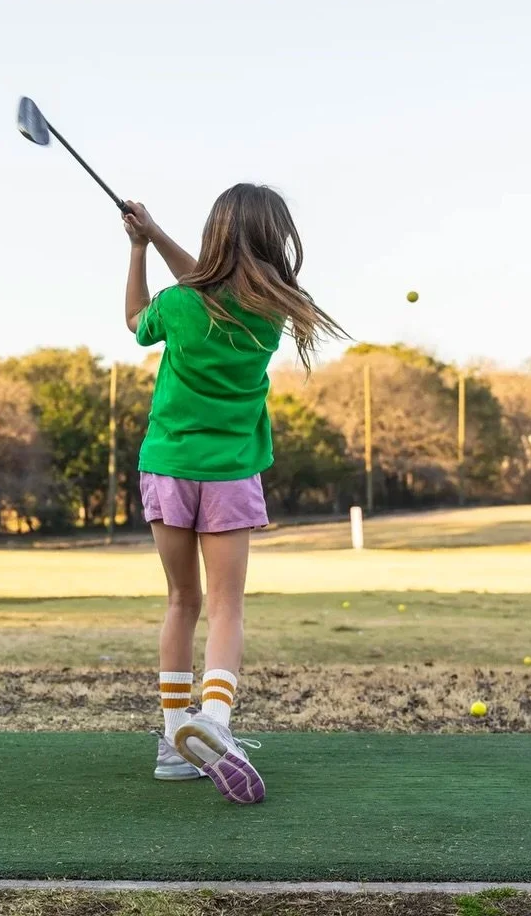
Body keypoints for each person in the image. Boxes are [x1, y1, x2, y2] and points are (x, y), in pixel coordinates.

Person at [122, 184, 343, 804]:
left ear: (213, 236)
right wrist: (154, 234)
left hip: (168, 467)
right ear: (276, 240)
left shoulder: (178, 305)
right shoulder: (274, 312)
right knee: (227, 606)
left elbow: (136, 321)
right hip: (230, 475)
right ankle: (214, 723)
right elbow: (215, 285)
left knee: (181, 601)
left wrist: (139, 249)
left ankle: (176, 741)